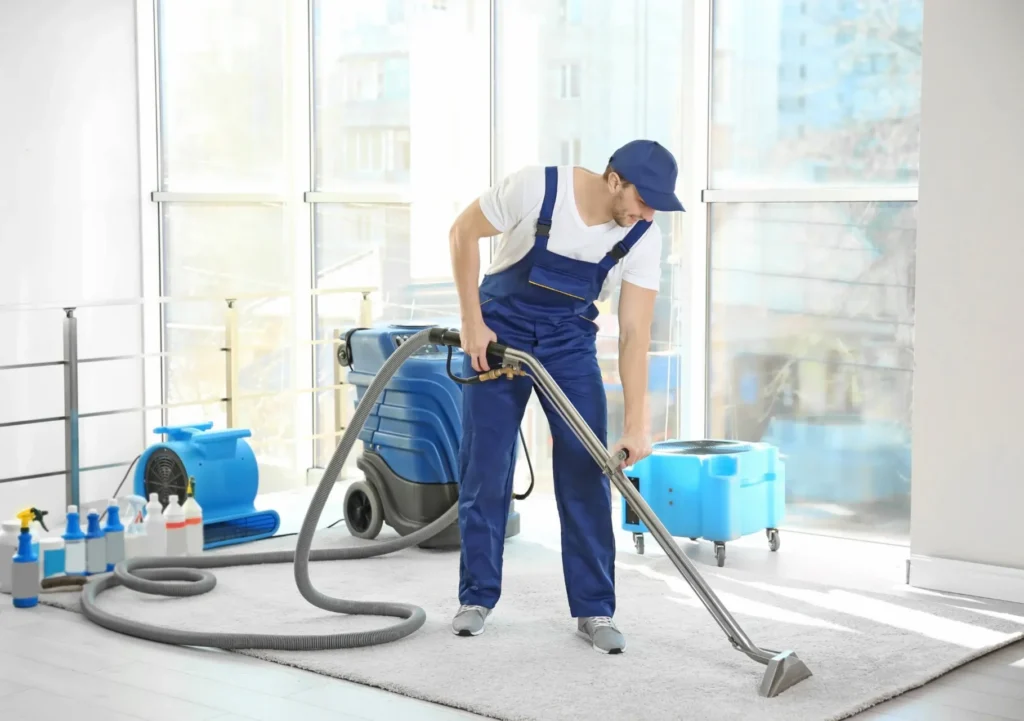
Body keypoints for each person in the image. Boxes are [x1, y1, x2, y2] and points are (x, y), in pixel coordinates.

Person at [446, 139, 685, 654]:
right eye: (644, 200)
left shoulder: (643, 234)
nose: (647, 214)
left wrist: (638, 424)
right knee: (486, 467)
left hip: (568, 342)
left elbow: (634, 334)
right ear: (615, 179)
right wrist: (472, 322)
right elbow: (463, 232)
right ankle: (476, 598)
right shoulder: (537, 187)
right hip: (499, 331)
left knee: (585, 469)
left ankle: (595, 608)